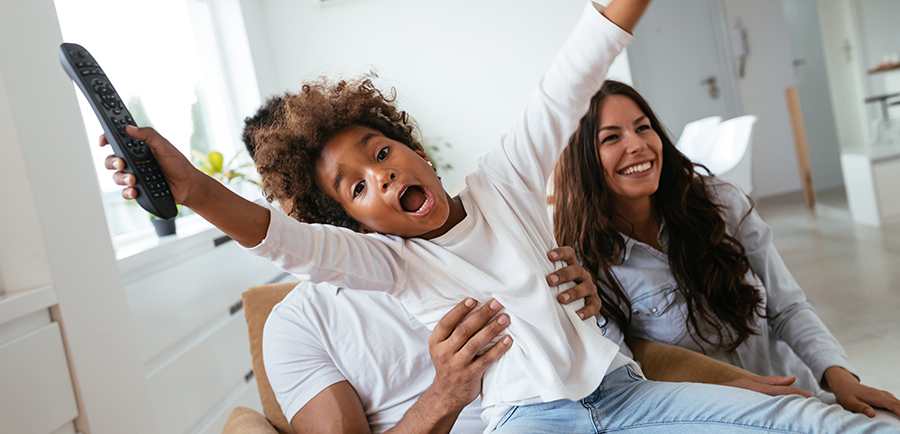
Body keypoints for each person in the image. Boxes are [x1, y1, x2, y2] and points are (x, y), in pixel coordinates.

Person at [103, 0, 896, 431]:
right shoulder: (385, 264)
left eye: (380, 153)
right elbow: (285, 244)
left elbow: (578, 65)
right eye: (354, 188)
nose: (379, 179)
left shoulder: (507, 181)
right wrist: (194, 190)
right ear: (354, 225)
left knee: (801, 424)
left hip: (621, 394)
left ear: (410, 147)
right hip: (527, 421)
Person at [550, 79, 900, 421]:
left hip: (800, 400)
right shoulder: (585, 265)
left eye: (643, 128)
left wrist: (841, 379)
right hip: (719, 419)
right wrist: (733, 389)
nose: (638, 144)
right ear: (583, 161)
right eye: (611, 137)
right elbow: (632, 381)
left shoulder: (718, 202)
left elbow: (789, 307)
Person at [265, 246, 815, 434]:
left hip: (599, 409)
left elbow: (618, 360)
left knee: (800, 419)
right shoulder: (298, 323)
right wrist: (445, 394)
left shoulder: (466, 246)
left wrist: (733, 390)